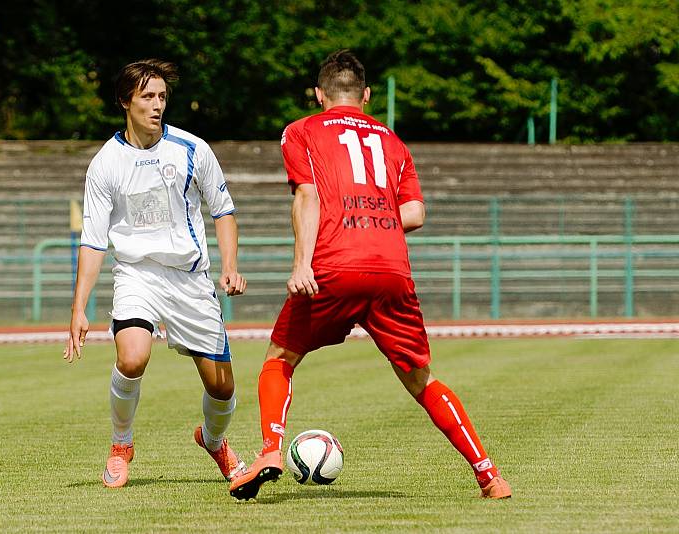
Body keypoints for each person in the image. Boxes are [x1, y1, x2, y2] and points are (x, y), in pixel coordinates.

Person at [228, 50, 512, 501]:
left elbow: (307, 194)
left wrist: (302, 263)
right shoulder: (393, 141)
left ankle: (269, 451)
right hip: (391, 269)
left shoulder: (301, 130)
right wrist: (373, 217)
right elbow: (416, 212)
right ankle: (489, 475)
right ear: (366, 94)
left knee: (279, 357)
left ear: (319, 94)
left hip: (333, 266)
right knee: (423, 381)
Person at [63, 59, 248, 488]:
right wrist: (79, 309)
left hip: (189, 277)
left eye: (162, 96)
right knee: (131, 357)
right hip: (136, 275)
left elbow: (223, 211)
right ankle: (121, 443)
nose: (157, 105)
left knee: (222, 389)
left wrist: (230, 267)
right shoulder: (105, 164)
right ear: (125, 101)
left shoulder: (192, 149)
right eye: (148, 96)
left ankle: (215, 441)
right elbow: (93, 240)